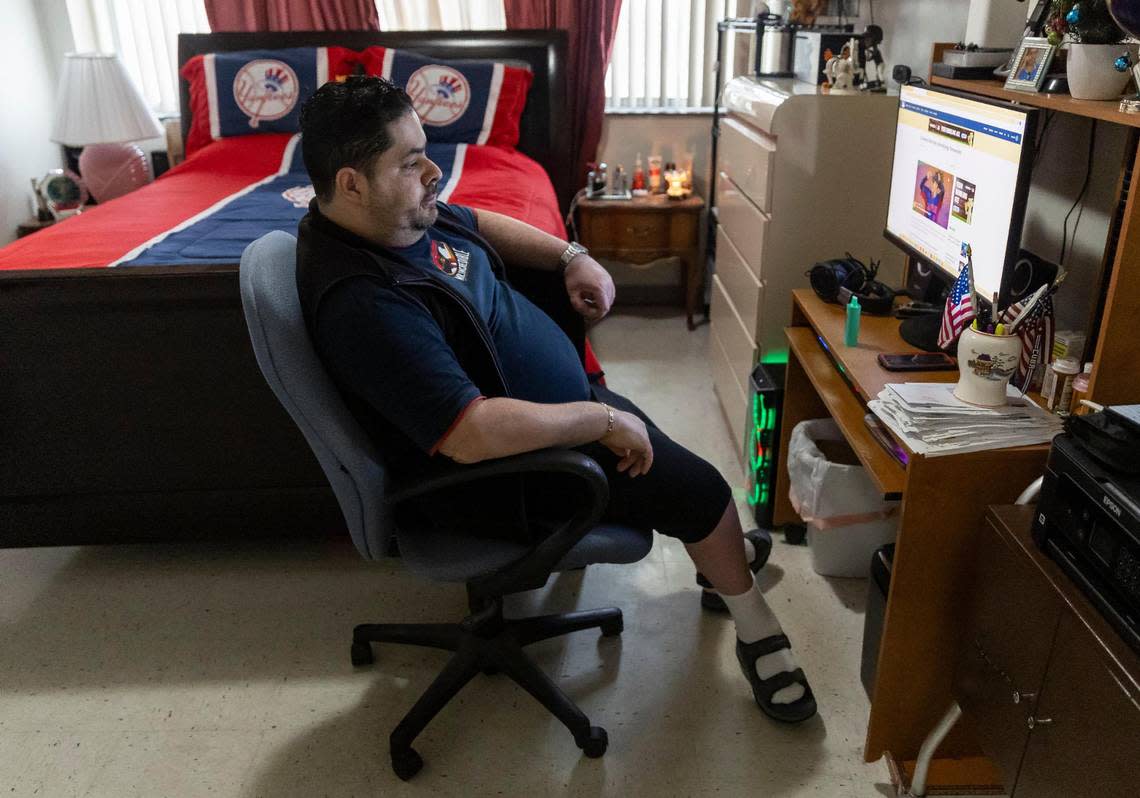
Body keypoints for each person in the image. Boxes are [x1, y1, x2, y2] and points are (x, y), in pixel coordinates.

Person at [294, 76, 816, 724]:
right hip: (511, 470)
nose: (433, 171)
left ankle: (717, 562)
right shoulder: (363, 303)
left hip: (558, 413)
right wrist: (600, 419)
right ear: (350, 183)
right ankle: (755, 625)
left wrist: (572, 254)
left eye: (426, 149)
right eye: (409, 161)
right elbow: (471, 433)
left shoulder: (394, 218)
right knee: (704, 491)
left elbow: (478, 222)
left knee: (681, 483)